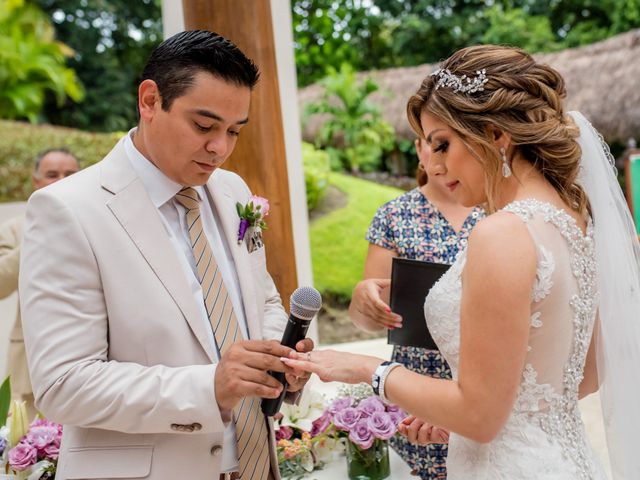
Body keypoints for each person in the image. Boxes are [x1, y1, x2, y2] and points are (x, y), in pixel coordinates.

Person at [283, 44, 640, 479]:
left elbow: (481, 415)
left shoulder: (502, 232)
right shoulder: (576, 221)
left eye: (443, 144)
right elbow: (584, 373)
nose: (432, 164)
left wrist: (367, 369)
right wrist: (471, 418)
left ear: (494, 135)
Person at [20, 30, 313, 480]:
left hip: (259, 465)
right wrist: (208, 387)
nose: (221, 148)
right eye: (204, 126)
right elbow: (63, 385)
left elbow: (263, 300)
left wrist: (280, 357)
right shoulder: (67, 210)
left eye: (234, 131)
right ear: (150, 100)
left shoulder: (231, 190)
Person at [348, 138, 483, 479]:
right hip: (417, 395)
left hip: (486, 384)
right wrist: (364, 301)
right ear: (418, 147)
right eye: (432, 144)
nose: (440, 158)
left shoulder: (498, 208)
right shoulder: (393, 215)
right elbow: (369, 320)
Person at [0, 148, 80, 417]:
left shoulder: (97, 225)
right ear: (36, 182)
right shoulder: (15, 228)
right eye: (51, 174)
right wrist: (37, 234)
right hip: (30, 373)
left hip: (90, 364)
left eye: (69, 174)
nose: (61, 180)